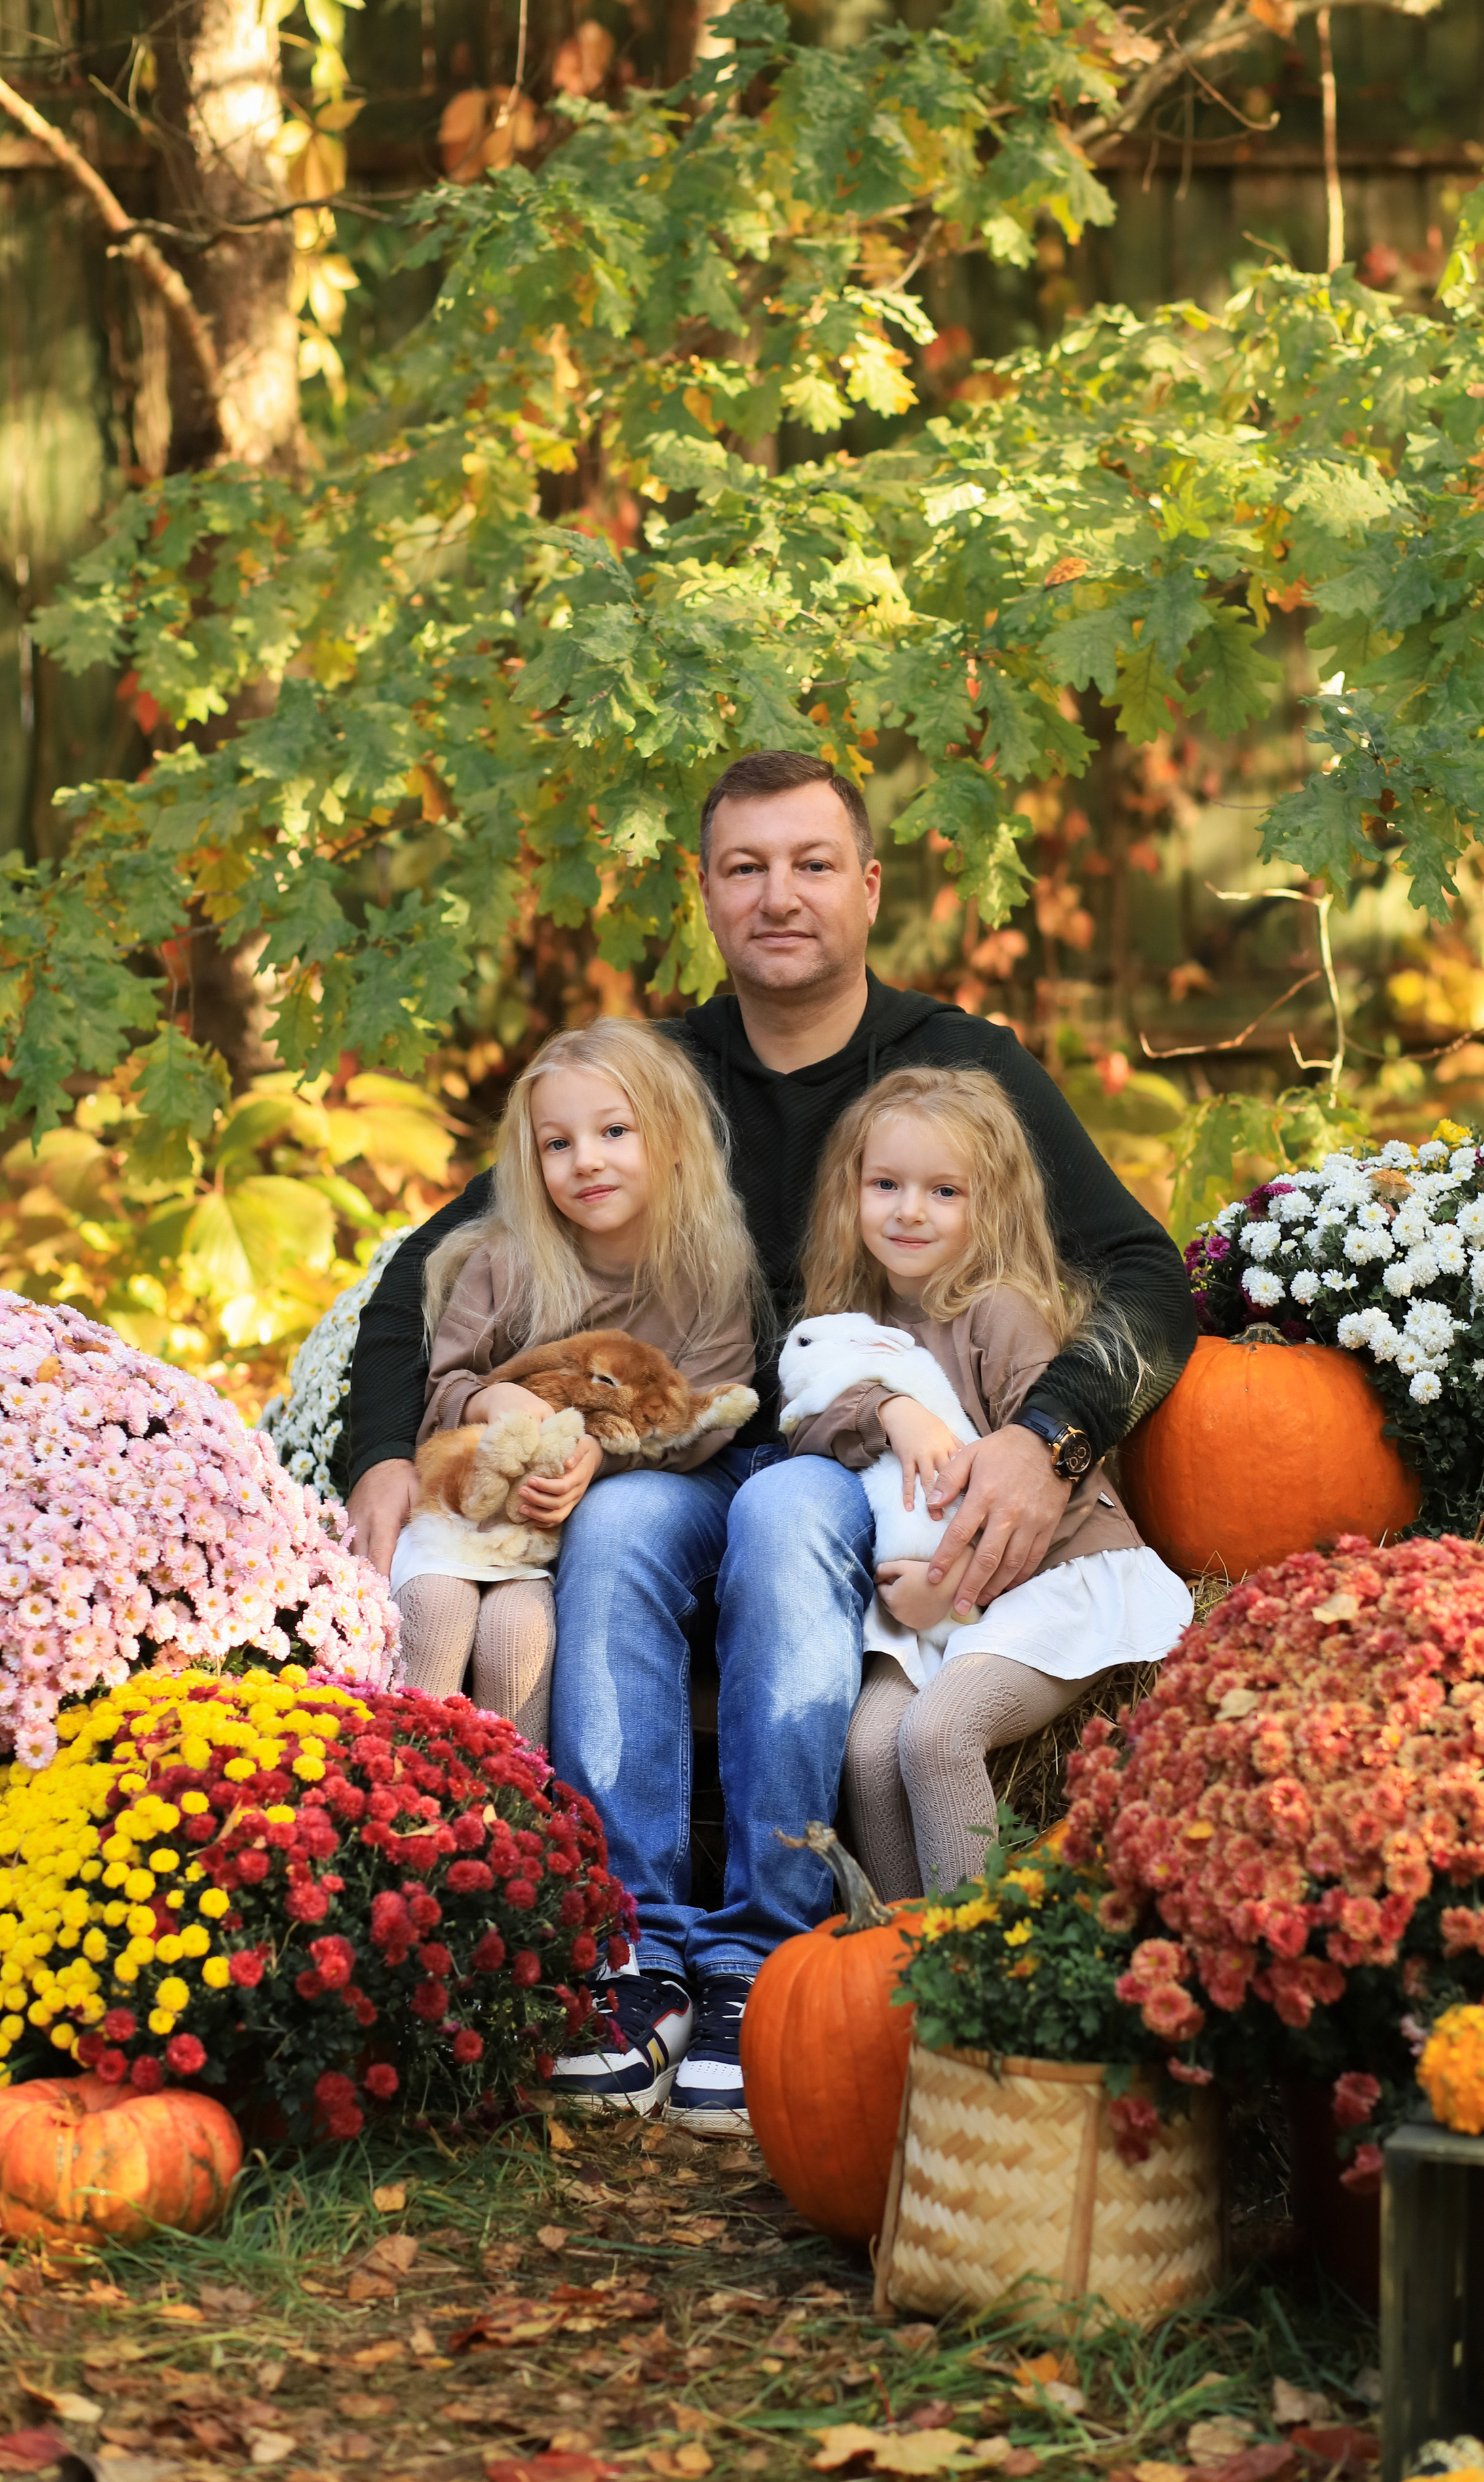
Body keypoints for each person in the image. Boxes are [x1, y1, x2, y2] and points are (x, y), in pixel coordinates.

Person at [343, 748, 1197, 2134]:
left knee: (790, 1507)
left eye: (810, 865)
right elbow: (427, 1269)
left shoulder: (960, 1067)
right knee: (618, 1527)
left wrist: (1050, 1437)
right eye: (744, 869)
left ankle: (763, 1948)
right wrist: (387, 1451)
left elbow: (1142, 1275)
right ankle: (630, 1942)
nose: (777, 896)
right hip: (670, 1455)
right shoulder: (654, 1074)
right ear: (706, 895)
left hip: (857, 1465)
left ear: (867, 889)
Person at [785, 1065, 1192, 1897]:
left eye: (943, 1191)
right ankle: (898, 1958)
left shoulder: (999, 1312)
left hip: (1042, 1578)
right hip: (936, 1605)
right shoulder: (860, 1326)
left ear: (989, 1206)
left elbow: (1050, 1488)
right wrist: (891, 1411)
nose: (908, 1211)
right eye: (886, 1185)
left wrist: (952, 1596)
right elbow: (805, 1425)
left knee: (936, 1737)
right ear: (850, 1194)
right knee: (867, 1752)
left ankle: (969, 1963)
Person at [389, 1020, 758, 1755]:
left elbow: (701, 1420)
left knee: (517, 1634)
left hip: (536, 1543)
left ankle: (519, 1832)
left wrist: (601, 1457)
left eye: (614, 1132)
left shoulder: (709, 1275)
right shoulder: (506, 1262)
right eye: (558, 1144)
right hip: (459, 1508)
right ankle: (404, 1812)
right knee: (434, 1606)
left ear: (674, 1137)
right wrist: (491, 1398)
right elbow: (443, 1387)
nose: (585, 1161)